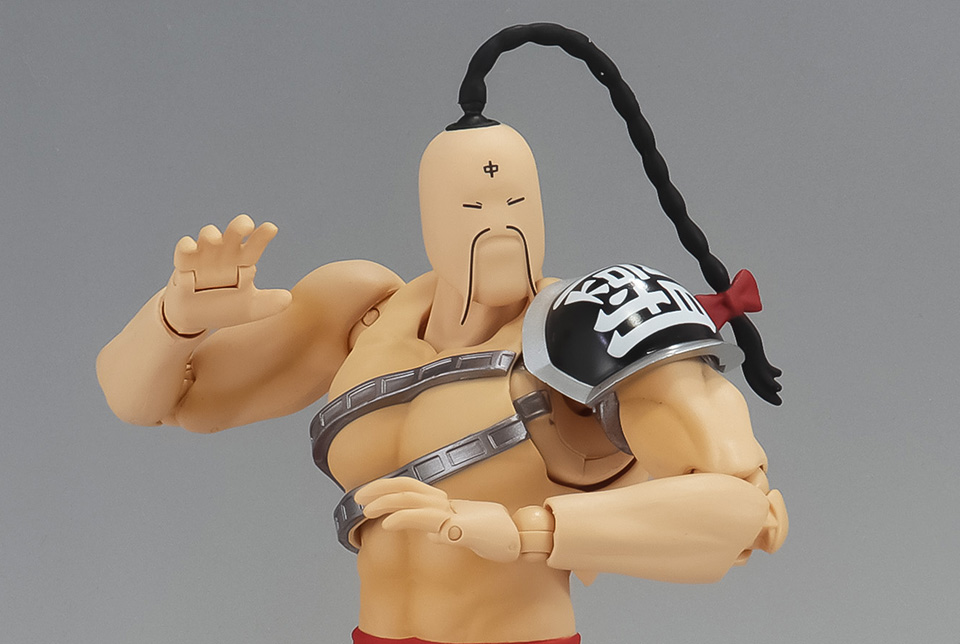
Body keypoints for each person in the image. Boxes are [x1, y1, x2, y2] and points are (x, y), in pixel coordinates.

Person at [97, 122, 787, 644]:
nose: (499, 223)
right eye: (471, 205)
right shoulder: (364, 314)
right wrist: (175, 319)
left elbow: (744, 513)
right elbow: (162, 402)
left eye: (515, 200)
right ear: (429, 214)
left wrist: (525, 531)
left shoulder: (598, 331)